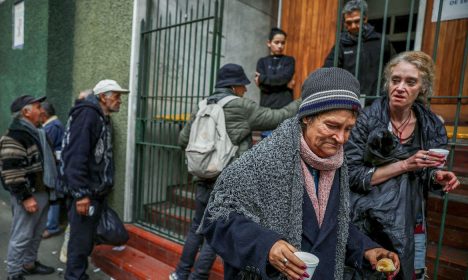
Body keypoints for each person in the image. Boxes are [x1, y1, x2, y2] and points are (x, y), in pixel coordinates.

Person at [198, 67, 401, 280]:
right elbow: (218, 217)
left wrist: (365, 249)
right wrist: (267, 245)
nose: (341, 138)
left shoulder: (336, 162)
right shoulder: (262, 160)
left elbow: (329, 226)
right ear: (307, 118)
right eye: (332, 126)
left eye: (348, 128)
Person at [170, 63, 301, 280]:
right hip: (227, 182)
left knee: (196, 228)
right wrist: (303, 98)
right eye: (243, 85)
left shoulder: (202, 105)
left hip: (202, 178)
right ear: (234, 86)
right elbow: (277, 117)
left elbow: (183, 139)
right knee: (218, 233)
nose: (246, 90)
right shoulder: (240, 106)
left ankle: (180, 273)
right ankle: (198, 277)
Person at [345, 51, 461, 279]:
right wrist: (405, 164)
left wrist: (437, 176)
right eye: (395, 80)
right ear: (388, 82)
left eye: (410, 82)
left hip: (409, 213)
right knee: (369, 270)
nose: (400, 87)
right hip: (368, 215)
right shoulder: (365, 120)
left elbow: (428, 172)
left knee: (406, 271)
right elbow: (352, 175)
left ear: (422, 88)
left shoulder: (431, 125)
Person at [59, 80, 129, 279]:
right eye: (116, 96)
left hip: (94, 193)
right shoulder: (88, 115)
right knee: (79, 243)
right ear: (102, 97)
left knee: (85, 240)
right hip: (85, 193)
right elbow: (75, 157)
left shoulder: (100, 117)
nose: (119, 101)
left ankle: (78, 275)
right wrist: (81, 194)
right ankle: (75, 277)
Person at [0, 95, 55, 280]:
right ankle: (14, 273)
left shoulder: (36, 132)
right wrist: (25, 197)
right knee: (22, 235)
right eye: (38, 107)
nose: (42, 111)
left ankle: (29, 264)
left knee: (37, 232)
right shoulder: (15, 136)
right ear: (26, 112)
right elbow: (11, 171)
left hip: (41, 190)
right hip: (29, 194)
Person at [324, 0, 396, 106]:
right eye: (348, 22)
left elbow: (394, 66)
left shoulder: (380, 41)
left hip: (377, 101)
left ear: (365, 19)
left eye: (357, 21)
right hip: (348, 101)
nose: (353, 26)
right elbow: (328, 70)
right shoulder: (341, 45)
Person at [59, 89, 93, 264]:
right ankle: (71, 263)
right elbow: (77, 157)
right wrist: (80, 192)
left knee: (76, 227)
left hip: (73, 183)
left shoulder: (77, 116)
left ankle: (70, 260)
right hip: (76, 185)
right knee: (76, 229)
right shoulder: (83, 117)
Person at [40, 101, 65, 239]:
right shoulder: (53, 125)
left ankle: (52, 226)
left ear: (43, 114)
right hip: (55, 165)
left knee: (53, 196)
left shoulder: (52, 126)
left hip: (54, 167)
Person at [255, 27, 295, 109]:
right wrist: (284, 85)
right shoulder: (262, 62)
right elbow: (262, 86)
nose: (280, 46)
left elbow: (285, 78)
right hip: (266, 107)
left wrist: (263, 78)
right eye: (276, 42)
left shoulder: (289, 60)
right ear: (269, 43)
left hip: (285, 107)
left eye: (283, 43)